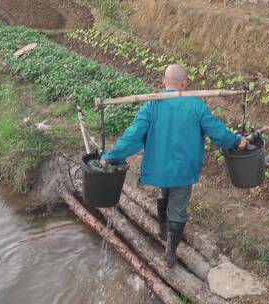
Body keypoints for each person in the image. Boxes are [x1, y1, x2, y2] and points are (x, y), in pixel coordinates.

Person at [100, 64, 248, 267]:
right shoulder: (196, 106)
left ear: (163, 82)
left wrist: (111, 156)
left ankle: (163, 229)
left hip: (159, 166)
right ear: (184, 84)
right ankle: (170, 252)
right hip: (183, 169)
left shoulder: (151, 105)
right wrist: (238, 141)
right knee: (178, 207)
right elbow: (218, 132)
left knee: (164, 189)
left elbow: (132, 136)